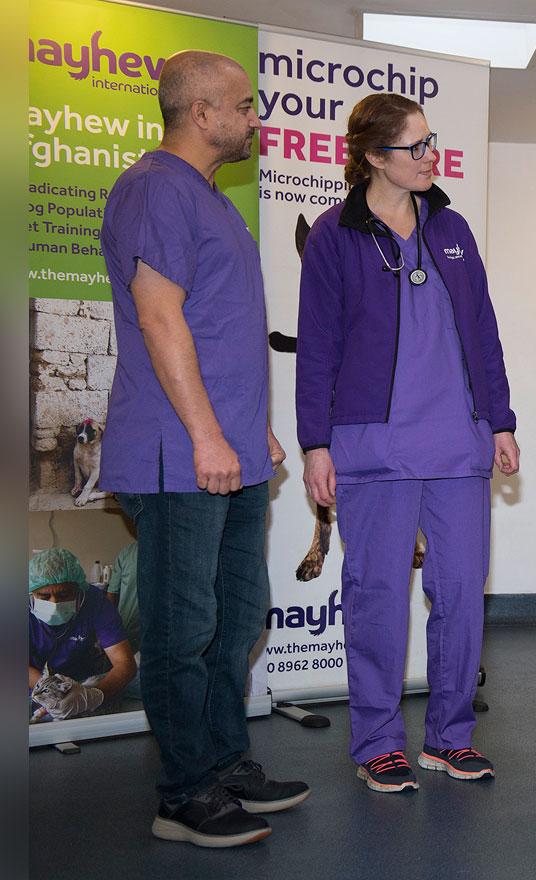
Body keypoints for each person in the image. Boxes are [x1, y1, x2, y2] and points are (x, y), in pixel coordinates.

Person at [100, 50, 308, 848]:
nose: (256, 120)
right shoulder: (156, 188)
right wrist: (208, 432)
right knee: (183, 626)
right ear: (202, 113)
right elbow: (159, 318)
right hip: (180, 453)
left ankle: (224, 765)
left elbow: (218, 330)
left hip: (228, 450)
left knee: (236, 615)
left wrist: (246, 424)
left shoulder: (212, 200)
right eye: (245, 107)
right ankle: (183, 795)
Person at [297, 93, 519, 794]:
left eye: (432, 142)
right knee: (378, 596)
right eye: (414, 147)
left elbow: (482, 330)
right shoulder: (335, 235)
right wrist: (314, 443)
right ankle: (377, 741)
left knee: (459, 593)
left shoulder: (451, 229)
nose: (431, 157)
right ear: (371, 158)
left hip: (458, 442)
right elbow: (318, 350)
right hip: (373, 446)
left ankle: (451, 737)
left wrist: (501, 418)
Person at [28, 548, 135, 721]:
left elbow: (125, 663)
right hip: (34, 685)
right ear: (31, 594)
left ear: (79, 591)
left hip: (82, 682)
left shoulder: (95, 602)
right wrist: (53, 693)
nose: (54, 603)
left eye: (64, 594)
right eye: (44, 596)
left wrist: (93, 696)